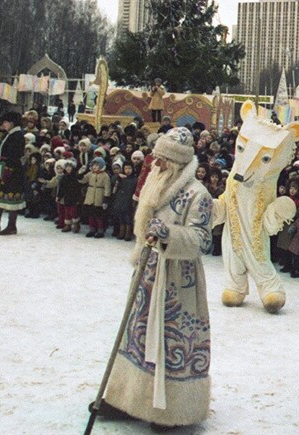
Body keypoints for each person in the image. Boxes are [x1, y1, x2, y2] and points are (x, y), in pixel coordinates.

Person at [97, 127, 213, 430]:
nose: (154, 163)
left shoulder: (198, 194)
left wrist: (168, 234)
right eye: (155, 157)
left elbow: (203, 240)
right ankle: (128, 398)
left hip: (177, 279)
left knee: (171, 338)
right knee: (137, 334)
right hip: (149, 271)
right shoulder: (155, 183)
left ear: (176, 162)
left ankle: (171, 409)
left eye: (161, 159)